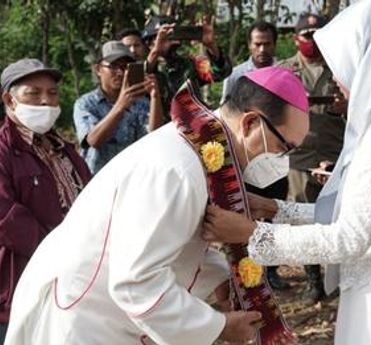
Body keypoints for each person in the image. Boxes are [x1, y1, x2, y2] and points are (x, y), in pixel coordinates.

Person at [202, 0, 371, 344]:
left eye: (340, 65)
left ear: (370, 59)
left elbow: (349, 236)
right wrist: (275, 209)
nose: (335, 78)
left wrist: (252, 234)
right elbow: (362, 216)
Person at [4, 66, 308, 345]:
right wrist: (218, 326)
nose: (283, 160)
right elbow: (136, 283)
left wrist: (219, 276)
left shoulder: (197, 149)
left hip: (111, 315)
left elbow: (175, 240)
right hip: (90, 322)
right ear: (251, 123)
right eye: (284, 147)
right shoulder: (179, 170)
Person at [0, 58, 92, 343]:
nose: (45, 101)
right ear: (9, 100)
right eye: (33, 93)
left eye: (52, 93)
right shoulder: (4, 149)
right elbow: (6, 217)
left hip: (73, 279)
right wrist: (57, 249)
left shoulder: (63, 148)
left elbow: (90, 195)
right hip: (21, 281)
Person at [278, 12, 347, 302]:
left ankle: (338, 278)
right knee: (303, 221)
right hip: (300, 156)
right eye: (307, 36)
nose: (313, 41)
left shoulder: (340, 68)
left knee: (338, 217)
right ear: (296, 38)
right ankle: (313, 280)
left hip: (334, 153)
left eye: (318, 34)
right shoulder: (285, 71)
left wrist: (344, 106)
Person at [73, 41, 163, 174]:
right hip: (96, 181)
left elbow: (153, 137)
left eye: (125, 67)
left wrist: (155, 98)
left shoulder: (140, 102)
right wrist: (121, 105)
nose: (120, 72)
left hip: (132, 179)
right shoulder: (85, 103)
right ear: (98, 69)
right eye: (113, 66)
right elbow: (93, 140)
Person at [142, 16, 232, 118]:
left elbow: (220, 72)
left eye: (172, 35)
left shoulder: (191, 63)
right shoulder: (141, 68)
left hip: (192, 128)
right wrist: (155, 51)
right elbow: (139, 82)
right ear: (149, 43)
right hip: (156, 129)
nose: (169, 39)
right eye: (164, 36)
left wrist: (211, 45)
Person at [222, 21, 277, 102]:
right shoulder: (235, 75)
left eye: (267, 44)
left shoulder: (285, 74)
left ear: (274, 44)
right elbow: (225, 110)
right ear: (249, 45)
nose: (262, 50)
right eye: (257, 44)